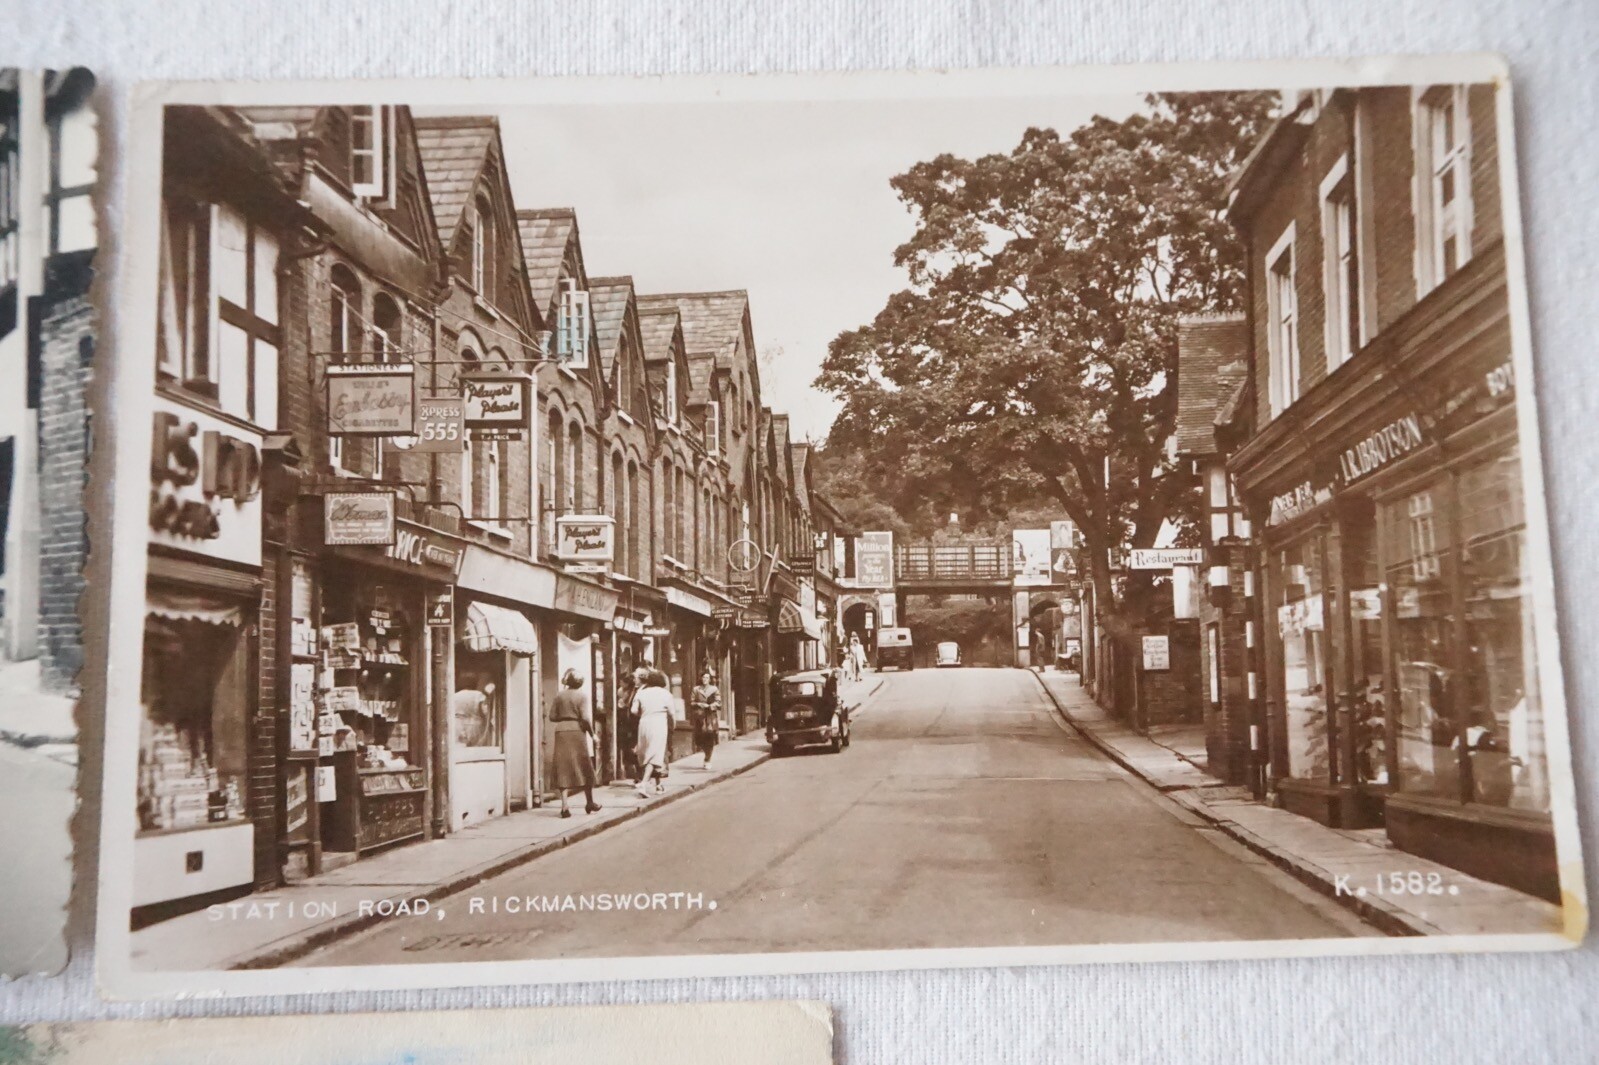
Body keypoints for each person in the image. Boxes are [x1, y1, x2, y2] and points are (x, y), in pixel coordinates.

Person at [548, 669, 601, 817]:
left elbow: (552, 716)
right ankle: (589, 802)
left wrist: (564, 717)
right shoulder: (582, 696)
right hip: (577, 731)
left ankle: (565, 806)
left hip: (561, 732)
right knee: (584, 766)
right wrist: (593, 735)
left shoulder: (559, 695)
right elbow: (585, 717)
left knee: (562, 767)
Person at [631, 671, 675, 798]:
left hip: (644, 723)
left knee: (647, 753)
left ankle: (658, 785)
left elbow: (633, 711)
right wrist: (674, 725)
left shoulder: (642, 692)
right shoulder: (665, 693)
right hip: (659, 724)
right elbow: (672, 713)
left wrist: (644, 713)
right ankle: (644, 784)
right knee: (655, 755)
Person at [689, 669, 722, 770]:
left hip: (710, 717)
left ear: (710, 679)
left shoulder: (714, 689)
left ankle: (707, 759)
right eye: (703, 677)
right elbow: (691, 702)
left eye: (707, 678)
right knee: (699, 739)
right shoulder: (696, 689)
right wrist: (699, 704)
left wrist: (711, 705)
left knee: (710, 736)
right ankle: (706, 754)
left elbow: (719, 702)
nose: (705, 679)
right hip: (699, 717)